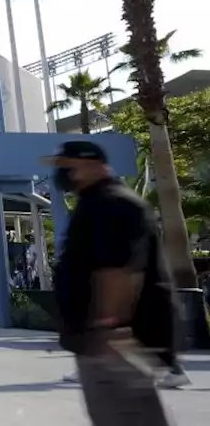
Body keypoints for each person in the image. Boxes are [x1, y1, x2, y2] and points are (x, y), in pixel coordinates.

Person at [46, 140, 179, 424]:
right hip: (105, 342)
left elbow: (118, 269)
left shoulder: (110, 203)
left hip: (112, 343)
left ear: (92, 165)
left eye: (68, 166)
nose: (62, 174)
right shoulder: (98, 201)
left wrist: (108, 328)